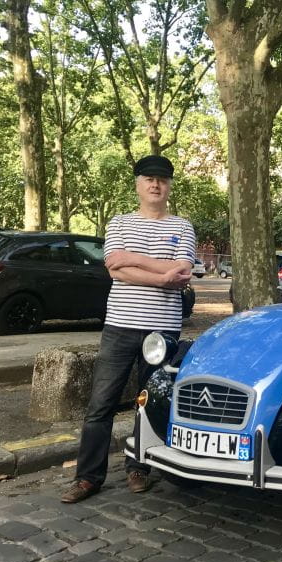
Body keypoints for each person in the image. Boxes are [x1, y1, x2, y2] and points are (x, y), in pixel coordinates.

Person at [61, 155, 196, 503]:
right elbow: (115, 268)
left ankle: (140, 468)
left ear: (169, 186)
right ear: (137, 184)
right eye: (149, 178)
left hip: (162, 331)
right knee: (100, 405)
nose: (155, 184)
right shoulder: (119, 223)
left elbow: (181, 272)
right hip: (119, 326)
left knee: (148, 403)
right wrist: (161, 274)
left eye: (162, 180)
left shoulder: (182, 226)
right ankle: (88, 477)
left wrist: (138, 261)